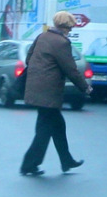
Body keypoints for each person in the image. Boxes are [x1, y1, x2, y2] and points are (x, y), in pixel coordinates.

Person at [20, 11, 92, 177]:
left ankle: (66, 161)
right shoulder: (61, 42)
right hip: (48, 92)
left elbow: (29, 59)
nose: (70, 31)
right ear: (66, 27)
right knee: (45, 130)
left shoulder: (42, 37)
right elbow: (71, 69)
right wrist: (84, 87)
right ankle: (29, 164)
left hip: (35, 89)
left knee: (57, 125)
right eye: (71, 28)